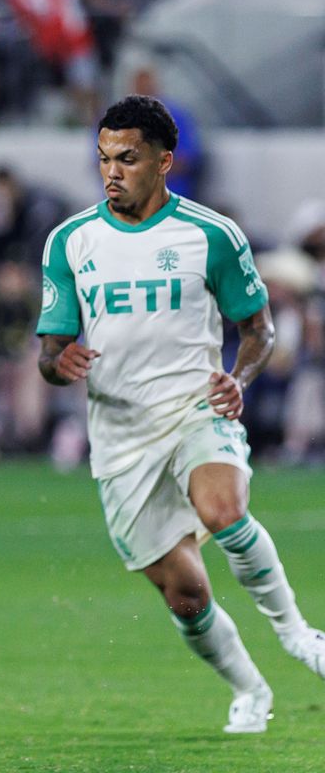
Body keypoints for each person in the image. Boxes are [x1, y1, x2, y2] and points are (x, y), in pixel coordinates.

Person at [36, 94, 325, 734]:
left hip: (196, 410)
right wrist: (63, 364)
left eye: (128, 159)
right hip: (120, 437)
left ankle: (299, 632)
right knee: (187, 595)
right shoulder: (70, 241)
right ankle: (250, 689)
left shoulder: (211, 234)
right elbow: (48, 355)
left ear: (165, 162)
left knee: (223, 509)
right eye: (104, 158)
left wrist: (239, 377)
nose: (112, 171)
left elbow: (259, 329)